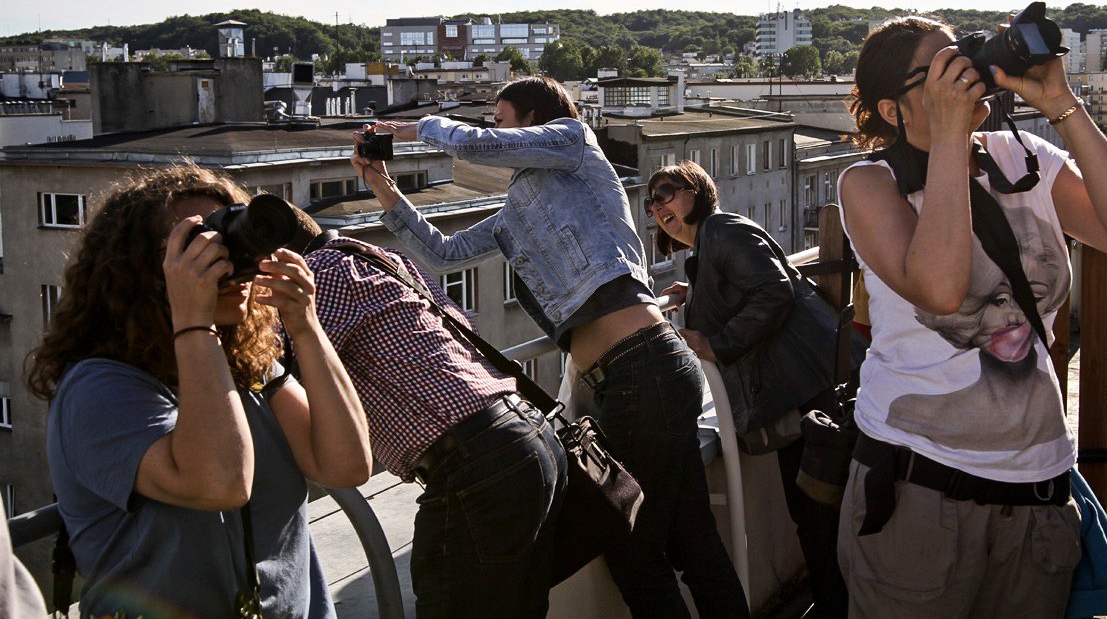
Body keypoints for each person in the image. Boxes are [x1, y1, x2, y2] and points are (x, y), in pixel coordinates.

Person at [355, 77, 748, 618]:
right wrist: (382, 186)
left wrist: (414, 127)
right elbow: (445, 253)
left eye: (502, 117)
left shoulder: (573, 141)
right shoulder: (518, 205)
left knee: (633, 547)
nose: (495, 128)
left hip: (641, 367)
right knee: (692, 540)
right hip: (634, 374)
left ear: (535, 116)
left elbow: (479, 146)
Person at [836, 16, 1107, 618]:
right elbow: (939, 289)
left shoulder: (1021, 158)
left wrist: (1061, 102)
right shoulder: (869, 184)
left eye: (963, 59)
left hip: (1037, 491)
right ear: (891, 108)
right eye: (939, 71)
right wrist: (953, 141)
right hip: (920, 492)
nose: (963, 76)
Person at [26, 164, 371, 619]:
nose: (230, 263)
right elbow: (219, 483)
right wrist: (194, 321)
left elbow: (345, 464)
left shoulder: (249, 367)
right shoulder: (99, 388)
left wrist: (305, 327)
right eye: (201, 247)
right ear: (140, 269)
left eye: (235, 240)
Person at [283, 208, 567, 619]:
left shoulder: (314, 277)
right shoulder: (375, 256)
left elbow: (267, 371)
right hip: (526, 435)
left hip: (477, 462)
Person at [647, 160, 847, 619]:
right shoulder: (707, 248)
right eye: (652, 201)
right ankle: (835, 600)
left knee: (817, 513)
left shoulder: (723, 231)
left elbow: (773, 291)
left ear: (696, 192)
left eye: (668, 193)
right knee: (812, 512)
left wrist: (717, 345)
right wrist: (693, 291)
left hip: (806, 388)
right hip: (797, 388)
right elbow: (742, 289)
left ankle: (840, 605)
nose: (658, 207)